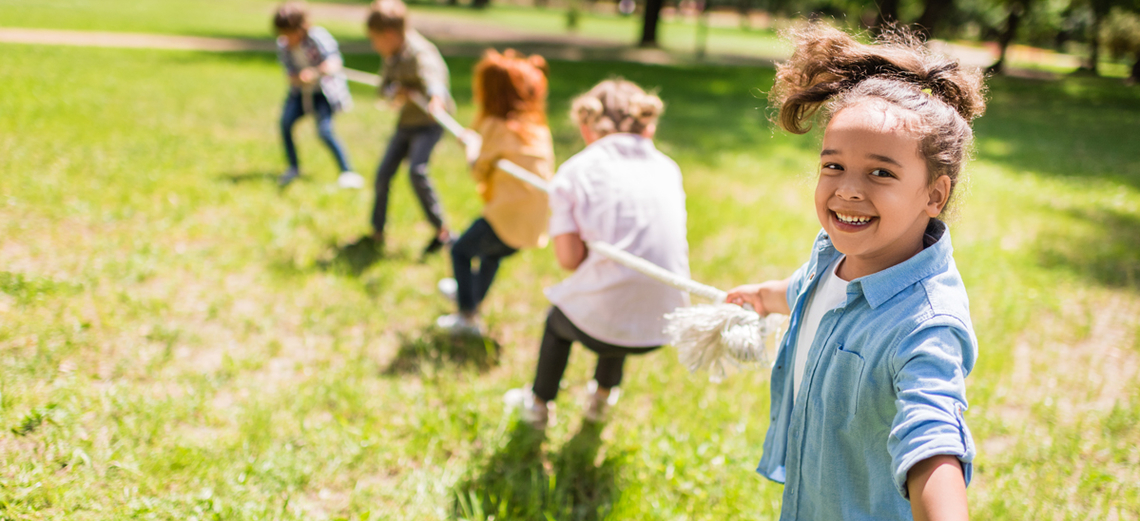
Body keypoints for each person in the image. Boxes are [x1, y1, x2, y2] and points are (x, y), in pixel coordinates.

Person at [723, 23, 987, 521]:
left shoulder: (925, 326)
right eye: (833, 166)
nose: (847, 189)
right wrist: (763, 296)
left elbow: (932, 439)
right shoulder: (834, 256)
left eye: (881, 172)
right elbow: (807, 291)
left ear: (935, 194)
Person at [506, 79, 690, 430]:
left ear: (587, 126)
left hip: (608, 324)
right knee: (621, 286)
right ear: (647, 125)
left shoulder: (575, 170)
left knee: (558, 321)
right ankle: (601, 400)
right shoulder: (669, 167)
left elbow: (568, 259)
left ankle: (538, 405)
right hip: (663, 322)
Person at [435, 50, 555, 334]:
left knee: (462, 250)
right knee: (492, 254)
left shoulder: (495, 126)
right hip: (535, 220)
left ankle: (467, 317)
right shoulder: (537, 127)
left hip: (508, 215)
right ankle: (471, 296)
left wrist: (470, 147)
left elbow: (479, 169)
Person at [366, 0, 454, 256]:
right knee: (383, 175)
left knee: (417, 171)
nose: (374, 45)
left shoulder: (419, 51)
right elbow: (383, 88)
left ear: (390, 35)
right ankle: (377, 231)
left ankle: (443, 231)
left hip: (429, 124)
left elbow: (434, 76)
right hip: (406, 123)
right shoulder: (391, 55)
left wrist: (436, 98)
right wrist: (397, 91)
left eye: (375, 39)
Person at [273, 2, 362, 189]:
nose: (286, 38)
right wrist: (299, 78)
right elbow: (290, 75)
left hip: (323, 93)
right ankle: (293, 167)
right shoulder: (283, 45)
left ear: (300, 27)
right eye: (283, 34)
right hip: (300, 94)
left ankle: (347, 171)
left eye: (289, 33)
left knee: (325, 132)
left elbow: (334, 62)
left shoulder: (317, 37)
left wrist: (314, 72)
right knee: (285, 123)